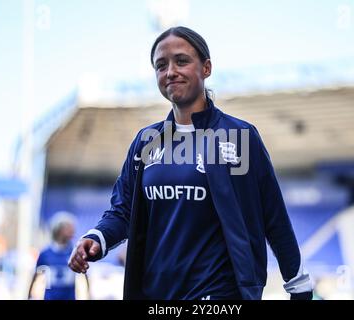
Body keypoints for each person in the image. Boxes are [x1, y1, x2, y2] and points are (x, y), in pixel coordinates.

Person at [68, 26, 313, 300]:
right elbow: (123, 211)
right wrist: (97, 238)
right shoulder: (146, 141)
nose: (170, 71)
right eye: (161, 66)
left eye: (181, 61)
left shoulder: (240, 138)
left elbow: (273, 216)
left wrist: (298, 283)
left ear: (206, 68)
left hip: (220, 294)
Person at [29, 211, 90, 300]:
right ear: (59, 229)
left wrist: (88, 295)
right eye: (69, 228)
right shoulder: (45, 253)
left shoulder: (75, 252)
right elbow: (35, 276)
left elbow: (85, 275)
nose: (73, 231)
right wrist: (29, 295)